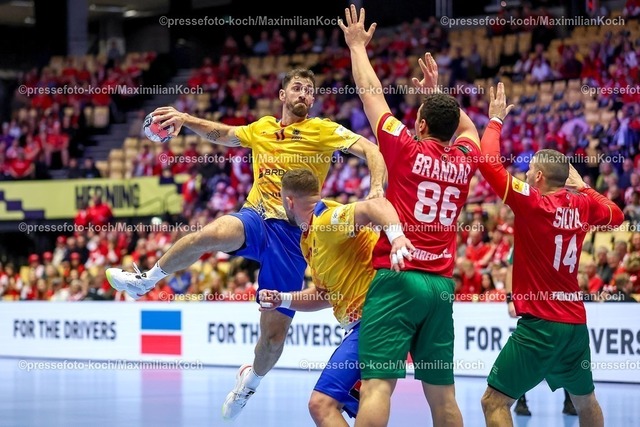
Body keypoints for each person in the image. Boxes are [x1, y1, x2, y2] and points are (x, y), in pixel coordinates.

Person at [105, 67, 386, 421]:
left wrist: (377, 187)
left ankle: (249, 382)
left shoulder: (323, 130)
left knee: (272, 339)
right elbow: (225, 134)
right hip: (255, 218)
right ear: (282, 95)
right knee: (209, 234)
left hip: (292, 239)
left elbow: (372, 150)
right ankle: (146, 280)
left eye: (309, 90)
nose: (303, 94)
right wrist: (185, 119)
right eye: (297, 88)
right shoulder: (262, 128)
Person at [339, 6, 481, 426]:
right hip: (440, 288)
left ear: (419, 124)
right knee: (444, 398)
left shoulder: (404, 148)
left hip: (399, 279)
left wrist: (356, 46)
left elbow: (370, 94)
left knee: (377, 387)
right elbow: (468, 130)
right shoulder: (464, 160)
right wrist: (439, 99)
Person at [478, 82, 624, 427]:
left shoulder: (533, 202)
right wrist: (585, 187)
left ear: (540, 176)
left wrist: (495, 121)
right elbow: (616, 215)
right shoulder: (584, 203)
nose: (526, 173)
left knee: (493, 401)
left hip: (541, 324)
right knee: (586, 402)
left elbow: (489, 165)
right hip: (574, 324)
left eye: (530, 170)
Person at [258, 168, 414, 426]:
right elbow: (324, 294)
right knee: (345, 403)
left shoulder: (328, 220)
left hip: (375, 318)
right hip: (363, 324)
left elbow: (374, 206)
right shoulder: (308, 239)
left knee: (322, 404)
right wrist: (282, 299)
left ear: (289, 201)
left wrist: (396, 236)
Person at [504, 248, 577, 417]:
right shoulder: (525, 239)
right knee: (526, 352)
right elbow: (511, 270)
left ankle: (569, 401)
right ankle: (521, 399)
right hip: (532, 302)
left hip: (557, 302)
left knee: (563, 351)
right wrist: (510, 299)